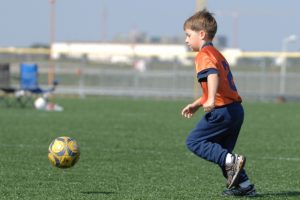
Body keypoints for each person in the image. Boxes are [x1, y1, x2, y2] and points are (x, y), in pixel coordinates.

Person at [181, 9, 256, 197]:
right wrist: (198, 103)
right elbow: (217, 84)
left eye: (188, 35)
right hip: (235, 110)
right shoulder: (216, 53)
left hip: (222, 110)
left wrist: (212, 99)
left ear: (201, 34)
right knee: (223, 152)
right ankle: (245, 186)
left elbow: (212, 75)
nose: (186, 40)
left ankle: (232, 161)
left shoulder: (203, 55)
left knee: (195, 141)